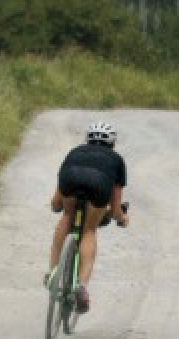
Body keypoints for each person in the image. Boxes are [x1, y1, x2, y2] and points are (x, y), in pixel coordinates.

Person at [47, 121, 129, 314]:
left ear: (88, 139)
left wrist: (60, 206)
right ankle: (81, 287)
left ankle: (52, 272)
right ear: (112, 143)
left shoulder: (74, 152)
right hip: (98, 186)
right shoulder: (116, 160)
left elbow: (56, 202)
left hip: (70, 179)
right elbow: (116, 208)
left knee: (67, 216)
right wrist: (121, 219)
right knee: (89, 230)